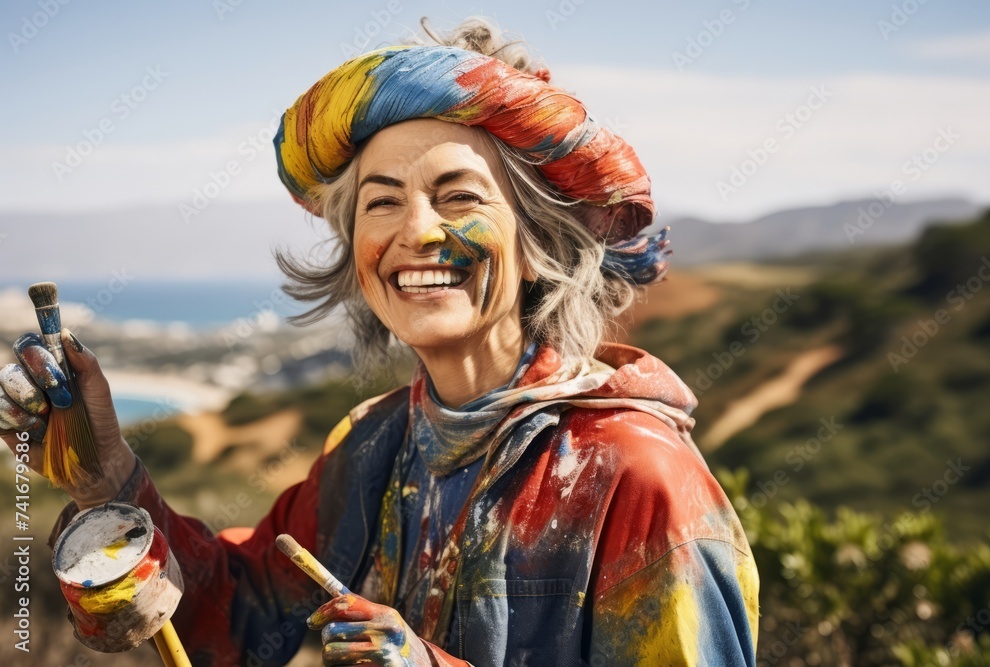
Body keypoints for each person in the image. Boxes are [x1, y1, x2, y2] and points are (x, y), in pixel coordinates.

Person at [1, 17, 759, 667]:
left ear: (539, 239)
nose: (415, 231)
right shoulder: (373, 445)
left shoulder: (641, 476)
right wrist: (106, 483)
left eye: (459, 196)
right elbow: (232, 627)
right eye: (382, 202)